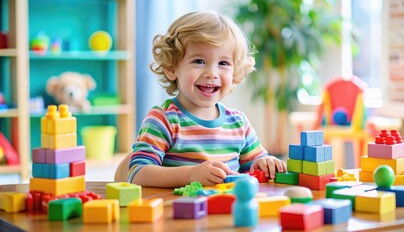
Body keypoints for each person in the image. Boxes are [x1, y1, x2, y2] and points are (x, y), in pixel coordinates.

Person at [115, 11, 286, 187]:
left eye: (223, 63)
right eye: (198, 61)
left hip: (224, 211)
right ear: (171, 68)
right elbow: (137, 174)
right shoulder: (163, 120)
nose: (212, 73)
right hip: (177, 212)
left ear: (235, 72)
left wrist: (264, 164)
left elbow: (253, 167)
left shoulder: (238, 123)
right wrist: (190, 175)